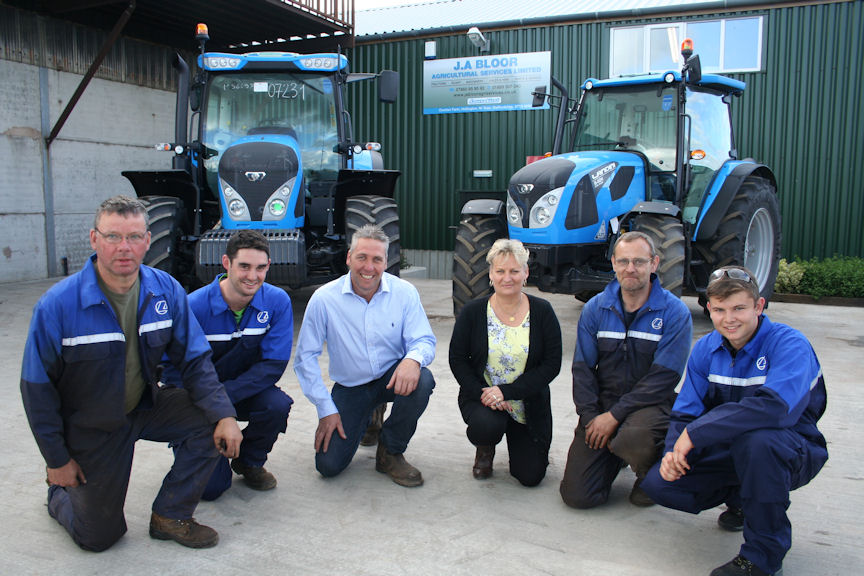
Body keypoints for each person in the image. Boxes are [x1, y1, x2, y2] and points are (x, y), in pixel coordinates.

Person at [20, 195, 243, 551]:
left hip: (144, 405)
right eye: (112, 236)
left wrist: (224, 415)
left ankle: (171, 515)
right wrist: (57, 459)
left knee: (209, 418)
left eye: (135, 237)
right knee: (98, 538)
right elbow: (36, 389)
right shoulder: (58, 305)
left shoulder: (164, 290)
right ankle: (60, 493)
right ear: (94, 240)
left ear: (147, 241)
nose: (124, 247)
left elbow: (195, 359)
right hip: (91, 424)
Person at [641, 266, 828, 576]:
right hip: (732, 450)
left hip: (790, 448)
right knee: (660, 484)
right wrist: (674, 451)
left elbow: (775, 408)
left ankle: (763, 557)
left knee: (758, 442)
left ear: (758, 306)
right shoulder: (705, 349)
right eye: (719, 309)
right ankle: (743, 500)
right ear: (709, 310)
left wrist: (696, 434)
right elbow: (686, 412)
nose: (729, 318)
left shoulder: (789, 344)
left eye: (739, 308)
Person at [293, 224, 436, 487]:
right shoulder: (324, 299)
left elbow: (423, 339)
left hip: (390, 377)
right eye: (362, 258)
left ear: (385, 261)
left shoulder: (404, 293)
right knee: (328, 466)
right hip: (351, 387)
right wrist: (326, 409)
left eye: (377, 259)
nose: (369, 267)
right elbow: (304, 359)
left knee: (423, 380)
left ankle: (390, 451)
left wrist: (412, 360)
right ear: (349, 257)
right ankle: (369, 415)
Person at [559, 231, 692, 508]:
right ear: (613, 263)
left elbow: (664, 378)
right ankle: (614, 454)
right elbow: (582, 369)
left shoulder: (674, 313)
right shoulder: (596, 309)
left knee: (633, 438)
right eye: (624, 261)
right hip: (605, 403)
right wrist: (590, 417)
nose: (631, 269)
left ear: (654, 264)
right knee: (578, 497)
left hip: (652, 406)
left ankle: (649, 473)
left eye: (639, 261)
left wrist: (615, 417)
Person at [162, 230, 293, 499]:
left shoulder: (277, 302)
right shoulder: (193, 307)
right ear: (226, 263)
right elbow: (173, 371)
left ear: (268, 266)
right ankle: (194, 448)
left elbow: (272, 366)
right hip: (196, 399)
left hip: (240, 392)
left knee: (276, 405)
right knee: (211, 490)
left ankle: (249, 460)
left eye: (260, 267)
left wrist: (225, 406)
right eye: (244, 266)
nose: (252, 276)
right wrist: (218, 410)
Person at [449, 239, 562, 486]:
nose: (507, 278)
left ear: (526, 272)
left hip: (527, 402)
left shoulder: (543, 311)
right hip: (484, 399)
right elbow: (457, 360)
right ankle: (485, 446)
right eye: (500, 271)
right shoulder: (472, 312)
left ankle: (518, 439)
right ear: (491, 274)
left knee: (530, 477)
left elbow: (552, 364)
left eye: (514, 271)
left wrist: (506, 392)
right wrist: (486, 394)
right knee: (486, 426)